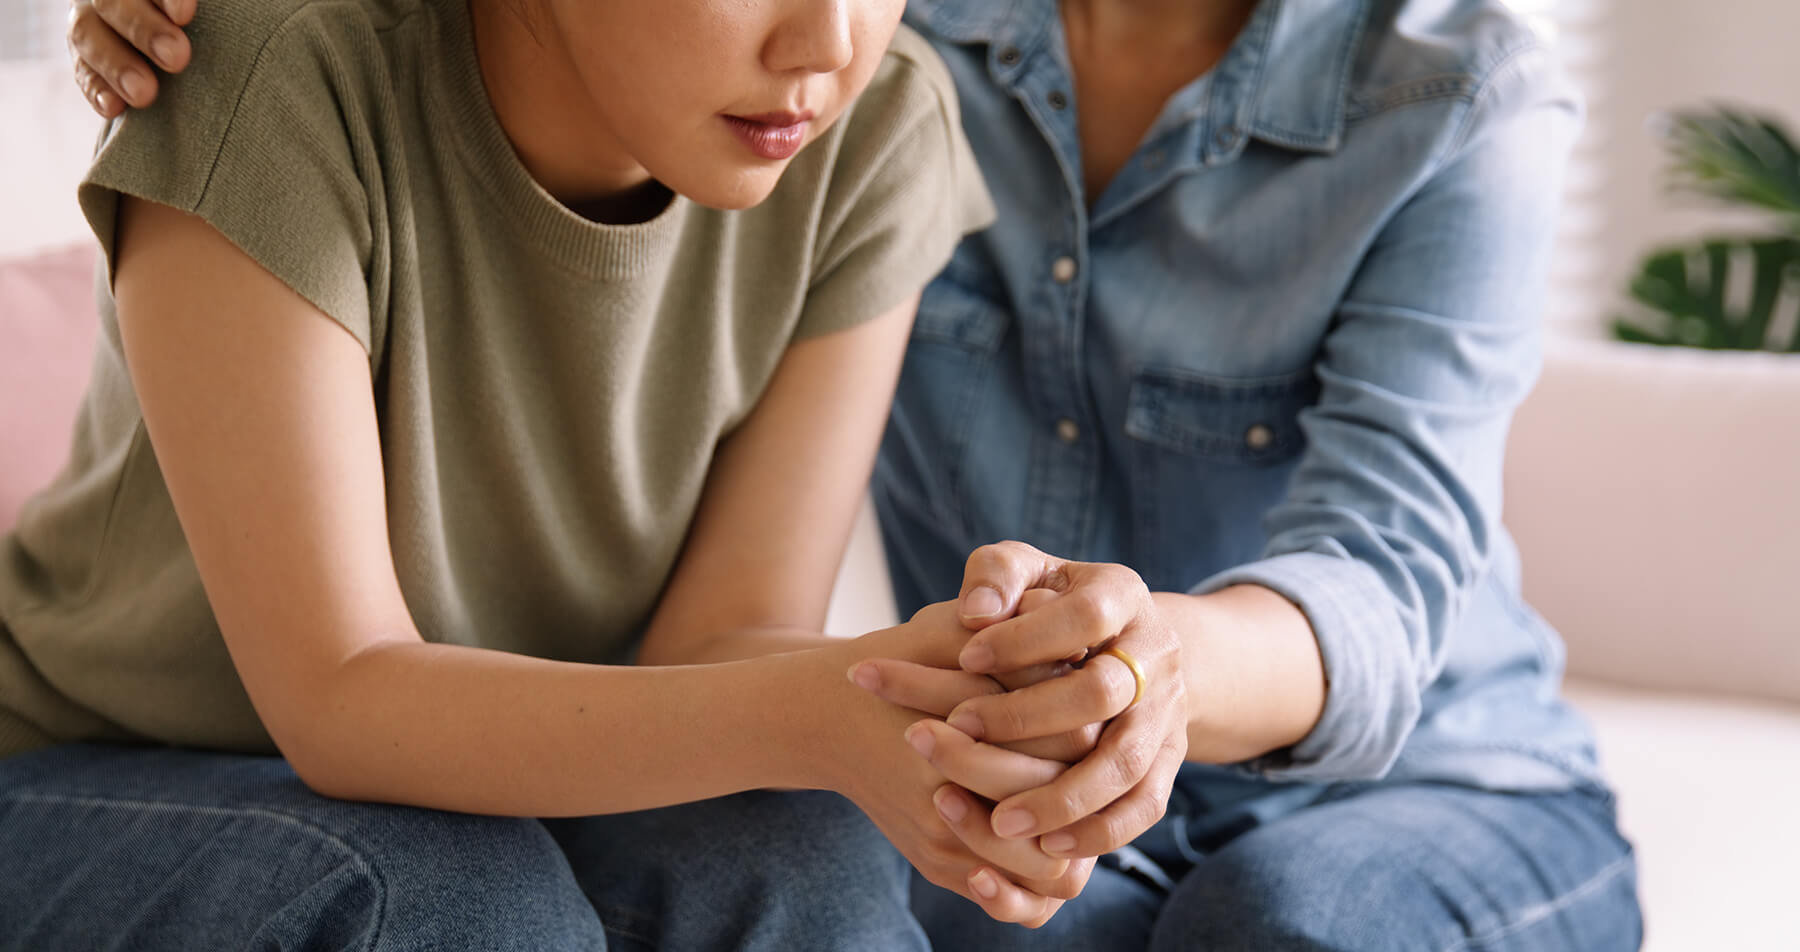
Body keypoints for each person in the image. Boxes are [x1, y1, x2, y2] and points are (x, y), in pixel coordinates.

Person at [65, 0, 1649, 949]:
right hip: (156, 755)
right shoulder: (892, 59)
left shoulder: (1452, 81)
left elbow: (1388, 563)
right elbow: (353, 689)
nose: (820, 44)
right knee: (495, 910)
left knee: (1263, 925)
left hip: (1414, 771)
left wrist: (993, 684)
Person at [0, 0, 1112, 947]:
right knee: (445, 902)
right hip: (97, 765)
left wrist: (932, 695)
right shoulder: (280, 74)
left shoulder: (874, 126)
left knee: (801, 860)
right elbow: (339, 698)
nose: (826, 44)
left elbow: (724, 639)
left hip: (530, 774)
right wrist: (817, 713)